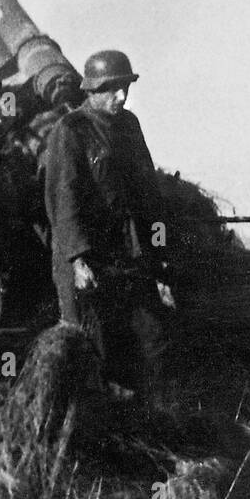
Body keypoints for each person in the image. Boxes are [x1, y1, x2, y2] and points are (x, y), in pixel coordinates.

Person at [43, 50, 170, 401]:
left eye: (125, 88)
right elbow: (63, 198)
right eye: (113, 89)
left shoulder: (130, 126)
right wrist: (78, 259)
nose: (122, 96)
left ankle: (158, 427)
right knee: (92, 349)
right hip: (88, 258)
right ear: (93, 90)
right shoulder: (70, 130)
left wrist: (158, 256)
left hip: (128, 254)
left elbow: (148, 191)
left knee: (153, 342)